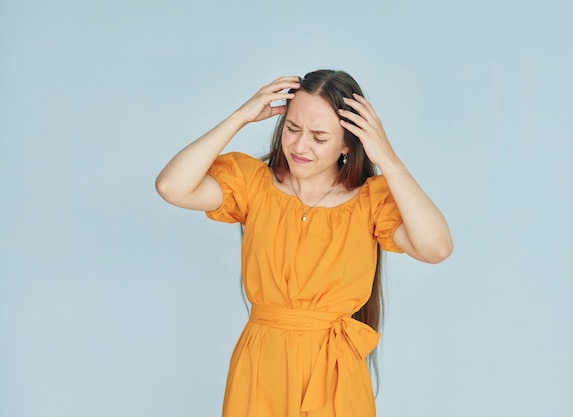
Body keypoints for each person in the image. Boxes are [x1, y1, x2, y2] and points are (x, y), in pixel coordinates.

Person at [155, 69, 453, 417]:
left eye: (319, 137)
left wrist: (387, 157)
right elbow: (171, 187)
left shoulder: (370, 202)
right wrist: (240, 117)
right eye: (293, 129)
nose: (299, 146)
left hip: (336, 374)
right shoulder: (254, 185)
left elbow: (437, 248)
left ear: (347, 142)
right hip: (261, 370)